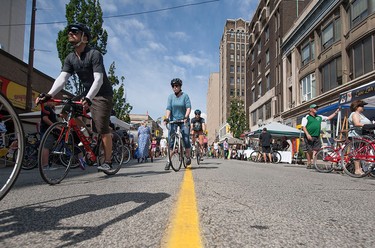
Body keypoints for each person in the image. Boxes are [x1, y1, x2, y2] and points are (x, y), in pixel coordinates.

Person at [35, 23, 114, 172]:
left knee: (102, 128)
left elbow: (99, 80)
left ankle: (108, 162)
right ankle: (86, 133)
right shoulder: (71, 58)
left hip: (102, 93)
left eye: (74, 31)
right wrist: (50, 94)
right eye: (69, 31)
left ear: (84, 37)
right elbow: (62, 78)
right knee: (65, 111)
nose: (70, 33)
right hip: (87, 92)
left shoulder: (94, 54)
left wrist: (89, 98)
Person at [164, 78, 192, 170]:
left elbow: (188, 108)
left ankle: (188, 157)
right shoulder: (170, 97)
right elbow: (168, 108)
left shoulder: (185, 96)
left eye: (176, 86)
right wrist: (166, 118)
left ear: (180, 87)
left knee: (186, 138)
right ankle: (169, 161)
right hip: (174, 121)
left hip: (184, 120)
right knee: (171, 142)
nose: (175, 88)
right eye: (173, 86)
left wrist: (186, 116)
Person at [301, 103, 339, 169]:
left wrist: (336, 112)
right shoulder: (306, 117)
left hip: (317, 136)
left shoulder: (319, 117)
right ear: (310, 109)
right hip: (309, 136)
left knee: (316, 150)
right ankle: (309, 162)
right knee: (309, 150)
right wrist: (307, 134)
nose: (316, 109)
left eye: (316, 108)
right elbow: (303, 127)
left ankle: (314, 163)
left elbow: (329, 118)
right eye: (314, 108)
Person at [348, 100, 374, 175]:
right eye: (362, 106)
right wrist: (367, 126)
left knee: (361, 152)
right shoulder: (355, 114)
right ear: (357, 107)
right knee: (357, 152)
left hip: (362, 135)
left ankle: (360, 168)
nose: (363, 107)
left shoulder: (361, 114)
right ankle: (357, 169)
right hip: (356, 135)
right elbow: (357, 123)